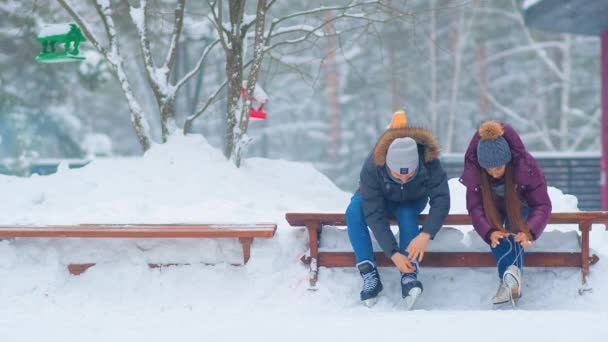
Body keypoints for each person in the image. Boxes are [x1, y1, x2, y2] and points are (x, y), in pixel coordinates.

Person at [345, 110, 450, 309]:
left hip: (412, 199)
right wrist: (393, 253)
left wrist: (426, 234)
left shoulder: (429, 161)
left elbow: (442, 199)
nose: (403, 179)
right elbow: (374, 214)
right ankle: (369, 274)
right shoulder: (372, 166)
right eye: (397, 176)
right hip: (379, 197)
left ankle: (409, 276)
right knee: (353, 212)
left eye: (408, 175)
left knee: (406, 213)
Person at [460, 121, 552, 305]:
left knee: (516, 230)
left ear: (508, 161)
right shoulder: (475, 172)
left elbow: (541, 204)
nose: (494, 174)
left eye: (499, 167)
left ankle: (508, 280)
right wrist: (489, 232)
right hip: (491, 208)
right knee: (497, 234)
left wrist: (529, 231)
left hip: (520, 205)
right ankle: (511, 278)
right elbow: (476, 208)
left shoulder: (525, 167)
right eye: (489, 169)